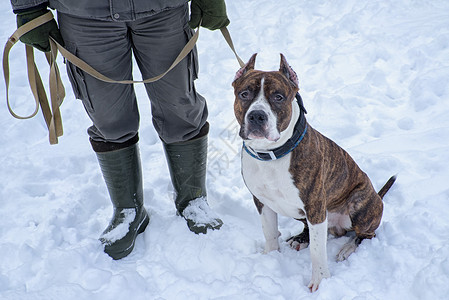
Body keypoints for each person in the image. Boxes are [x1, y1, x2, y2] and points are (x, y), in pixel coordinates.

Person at [10, 0, 229, 260]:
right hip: (85, 14)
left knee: (179, 106)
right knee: (108, 117)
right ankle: (128, 210)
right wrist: (28, 7)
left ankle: (193, 200)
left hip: (164, 10)